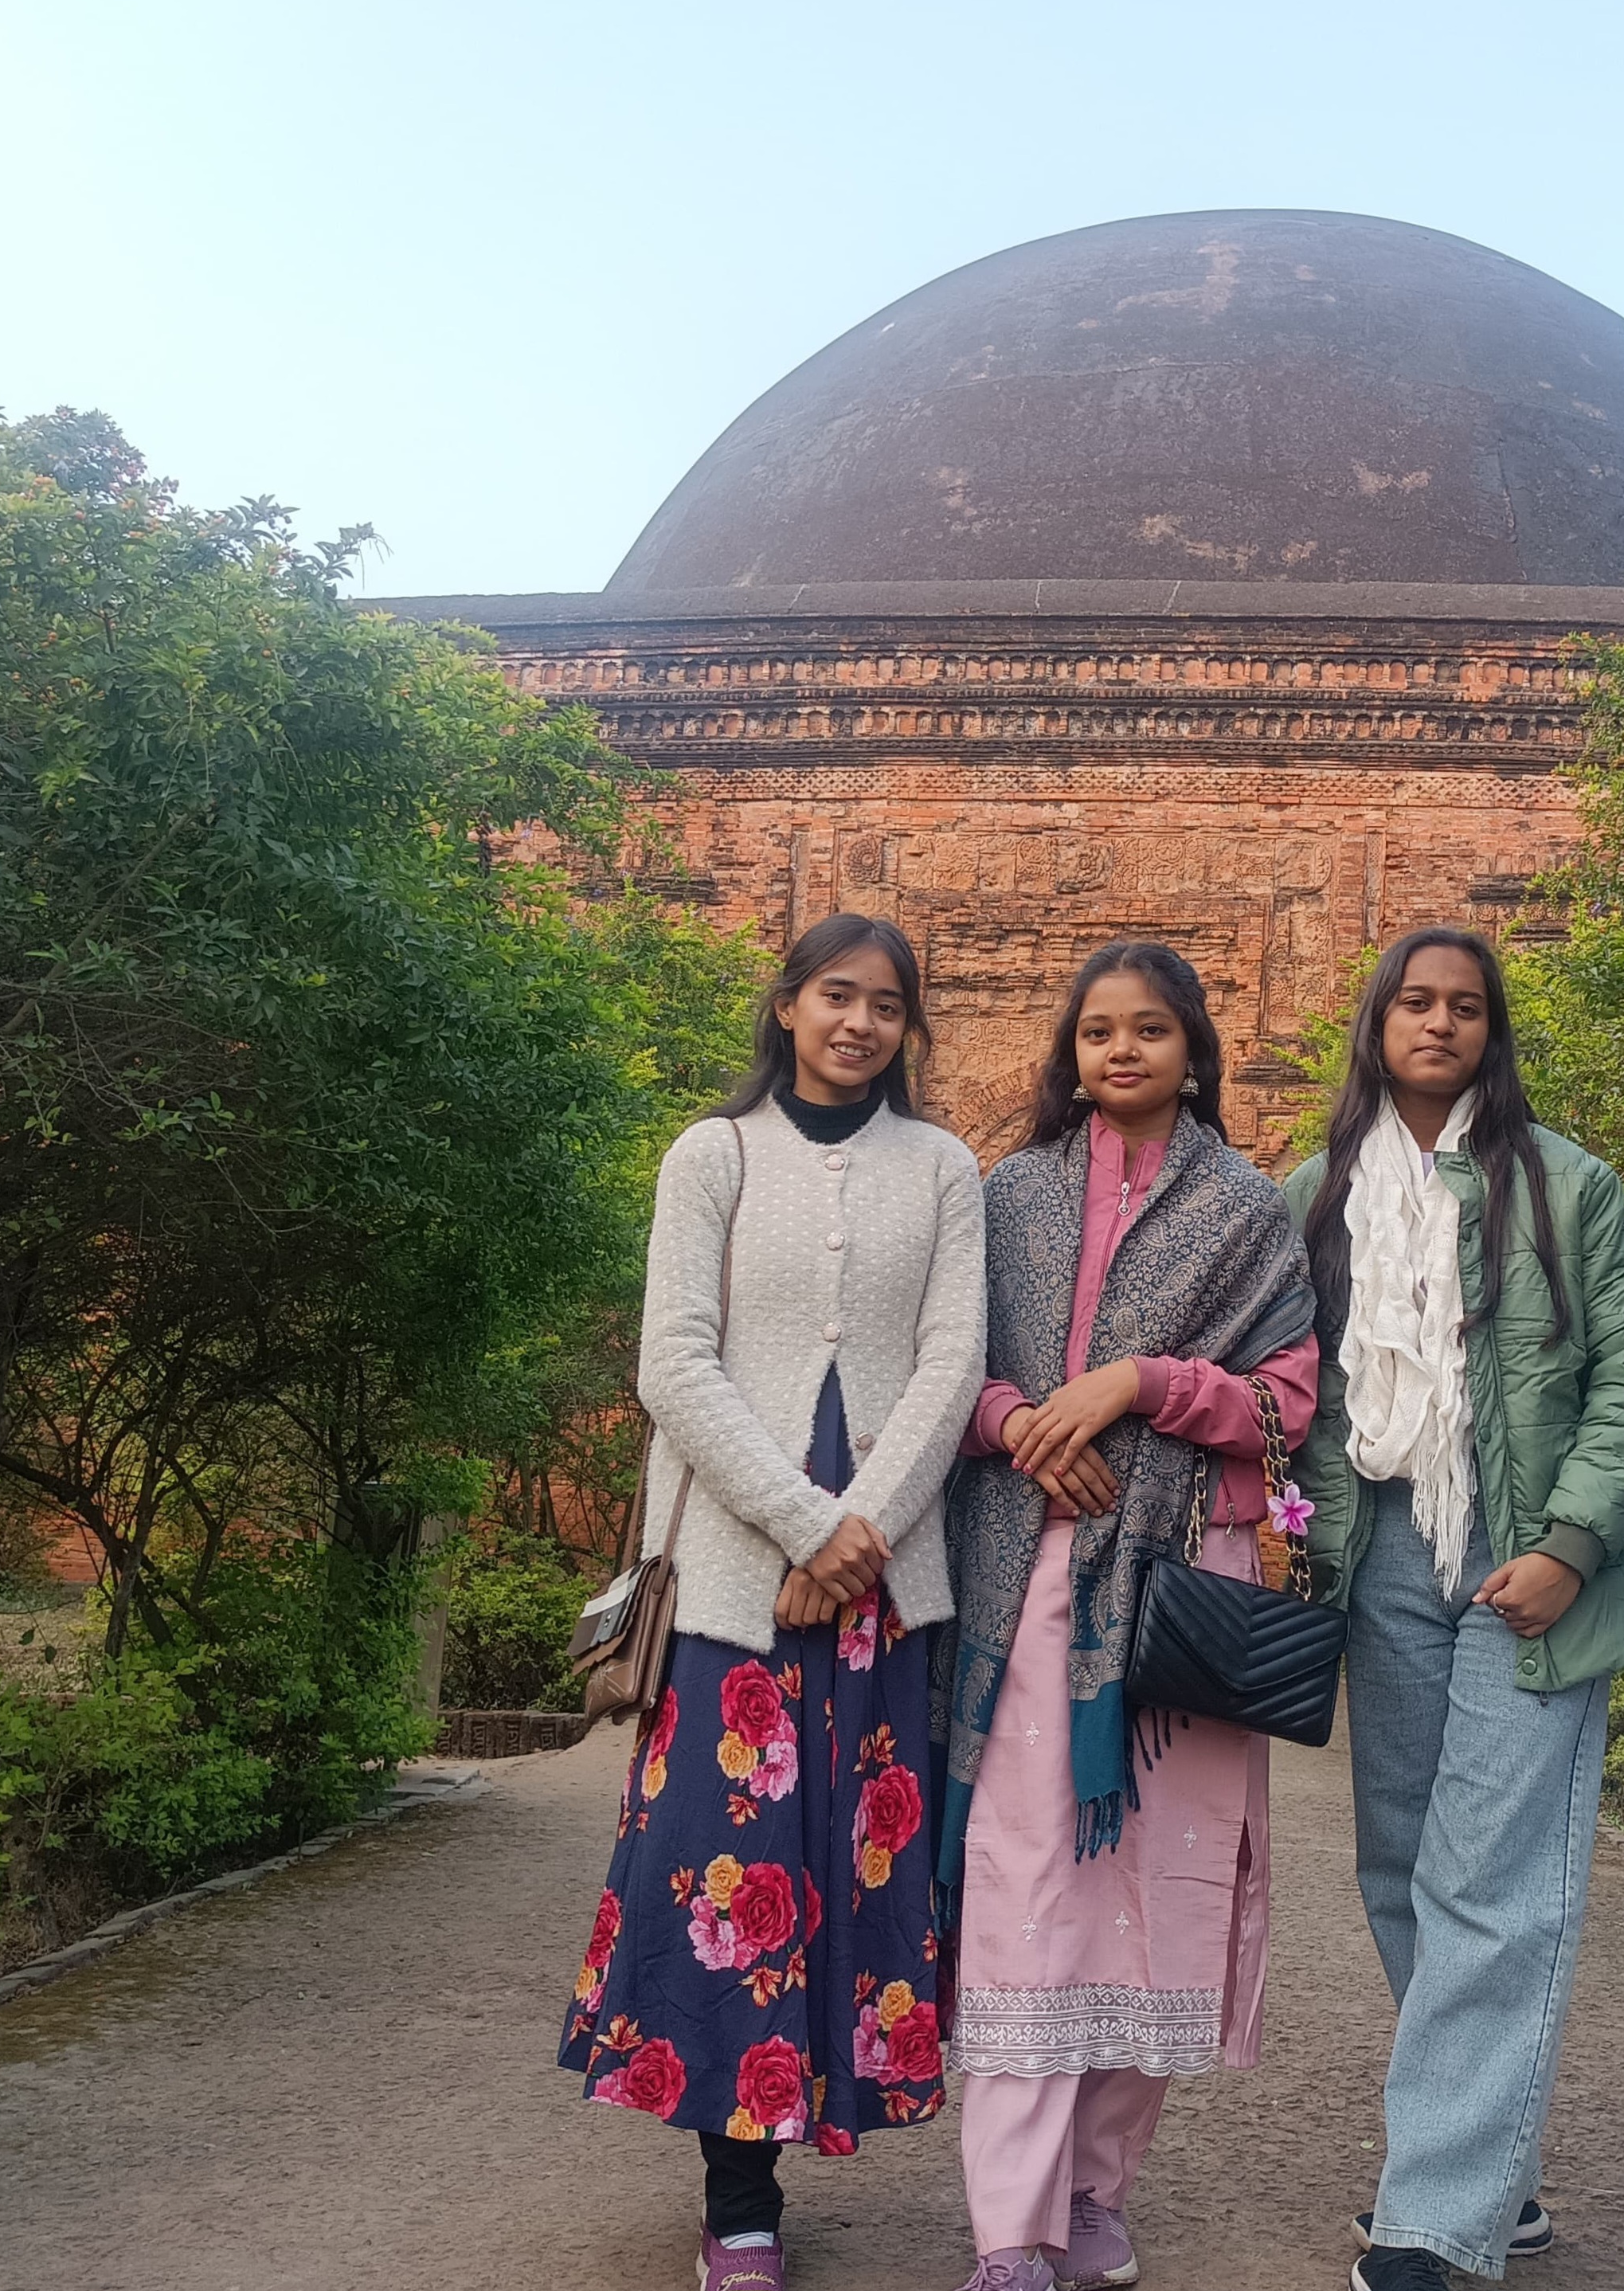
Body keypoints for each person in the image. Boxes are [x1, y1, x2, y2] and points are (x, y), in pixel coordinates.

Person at [560, 913, 988, 2291]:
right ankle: (738, 2202)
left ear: (907, 1028)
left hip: (880, 1588)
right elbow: (673, 1366)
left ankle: (823, 2119)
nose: (858, 1023)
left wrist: (864, 1536)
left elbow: (951, 1362)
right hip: (735, 1590)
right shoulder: (713, 1156)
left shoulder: (943, 1168)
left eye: (886, 1005)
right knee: (723, 1876)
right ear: (789, 1005)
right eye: (835, 996)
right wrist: (809, 1526)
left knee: (850, 1875)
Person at [1282, 926, 1624, 2291]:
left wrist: (1571, 1544)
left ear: (1491, 1033)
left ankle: (1432, 2222)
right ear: (1377, 1022)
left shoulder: (1569, 1185)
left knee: (1492, 1886)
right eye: (1415, 1001)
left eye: (1465, 1006)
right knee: (1400, 1869)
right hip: (1382, 1558)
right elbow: (1288, 1388)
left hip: (1526, 1566)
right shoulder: (1315, 1195)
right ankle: (1489, 2175)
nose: (1439, 1023)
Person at [937, 941, 1320, 2291]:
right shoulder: (1006, 1199)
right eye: (1096, 1030)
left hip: (1174, 1592)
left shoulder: (1246, 1210)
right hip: (1022, 1583)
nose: (1120, 1050)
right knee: (1024, 1886)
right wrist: (1018, 1423)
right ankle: (1010, 2229)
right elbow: (945, 1367)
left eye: (1148, 1029)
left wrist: (1140, 1385)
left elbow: (1286, 1402)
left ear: (1193, 1052)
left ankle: (1096, 2196)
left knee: (1151, 1896)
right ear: (1070, 1052)